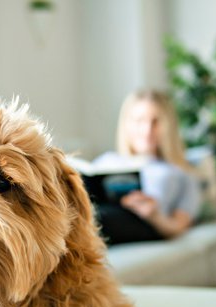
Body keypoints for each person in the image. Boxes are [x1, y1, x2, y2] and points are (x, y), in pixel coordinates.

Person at [86, 89, 201, 245]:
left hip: (143, 223)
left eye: (156, 121)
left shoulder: (179, 171)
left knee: (95, 218)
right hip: (96, 212)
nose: (147, 130)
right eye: (139, 120)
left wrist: (155, 215)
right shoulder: (106, 161)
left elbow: (179, 226)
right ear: (127, 124)